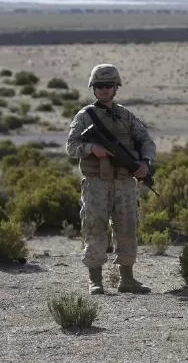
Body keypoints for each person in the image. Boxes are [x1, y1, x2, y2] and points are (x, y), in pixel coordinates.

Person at [66, 64, 156, 294]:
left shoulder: (125, 115)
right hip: (96, 182)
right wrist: (91, 148)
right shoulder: (84, 116)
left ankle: (127, 279)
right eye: (99, 86)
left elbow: (146, 140)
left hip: (125, 181)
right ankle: (95, 280)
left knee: (127, 226)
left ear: (116, 87)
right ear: (93, 89)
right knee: (94, 227)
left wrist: (145, 163)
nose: (105, 90)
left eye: (109, 85)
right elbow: (71, 146)